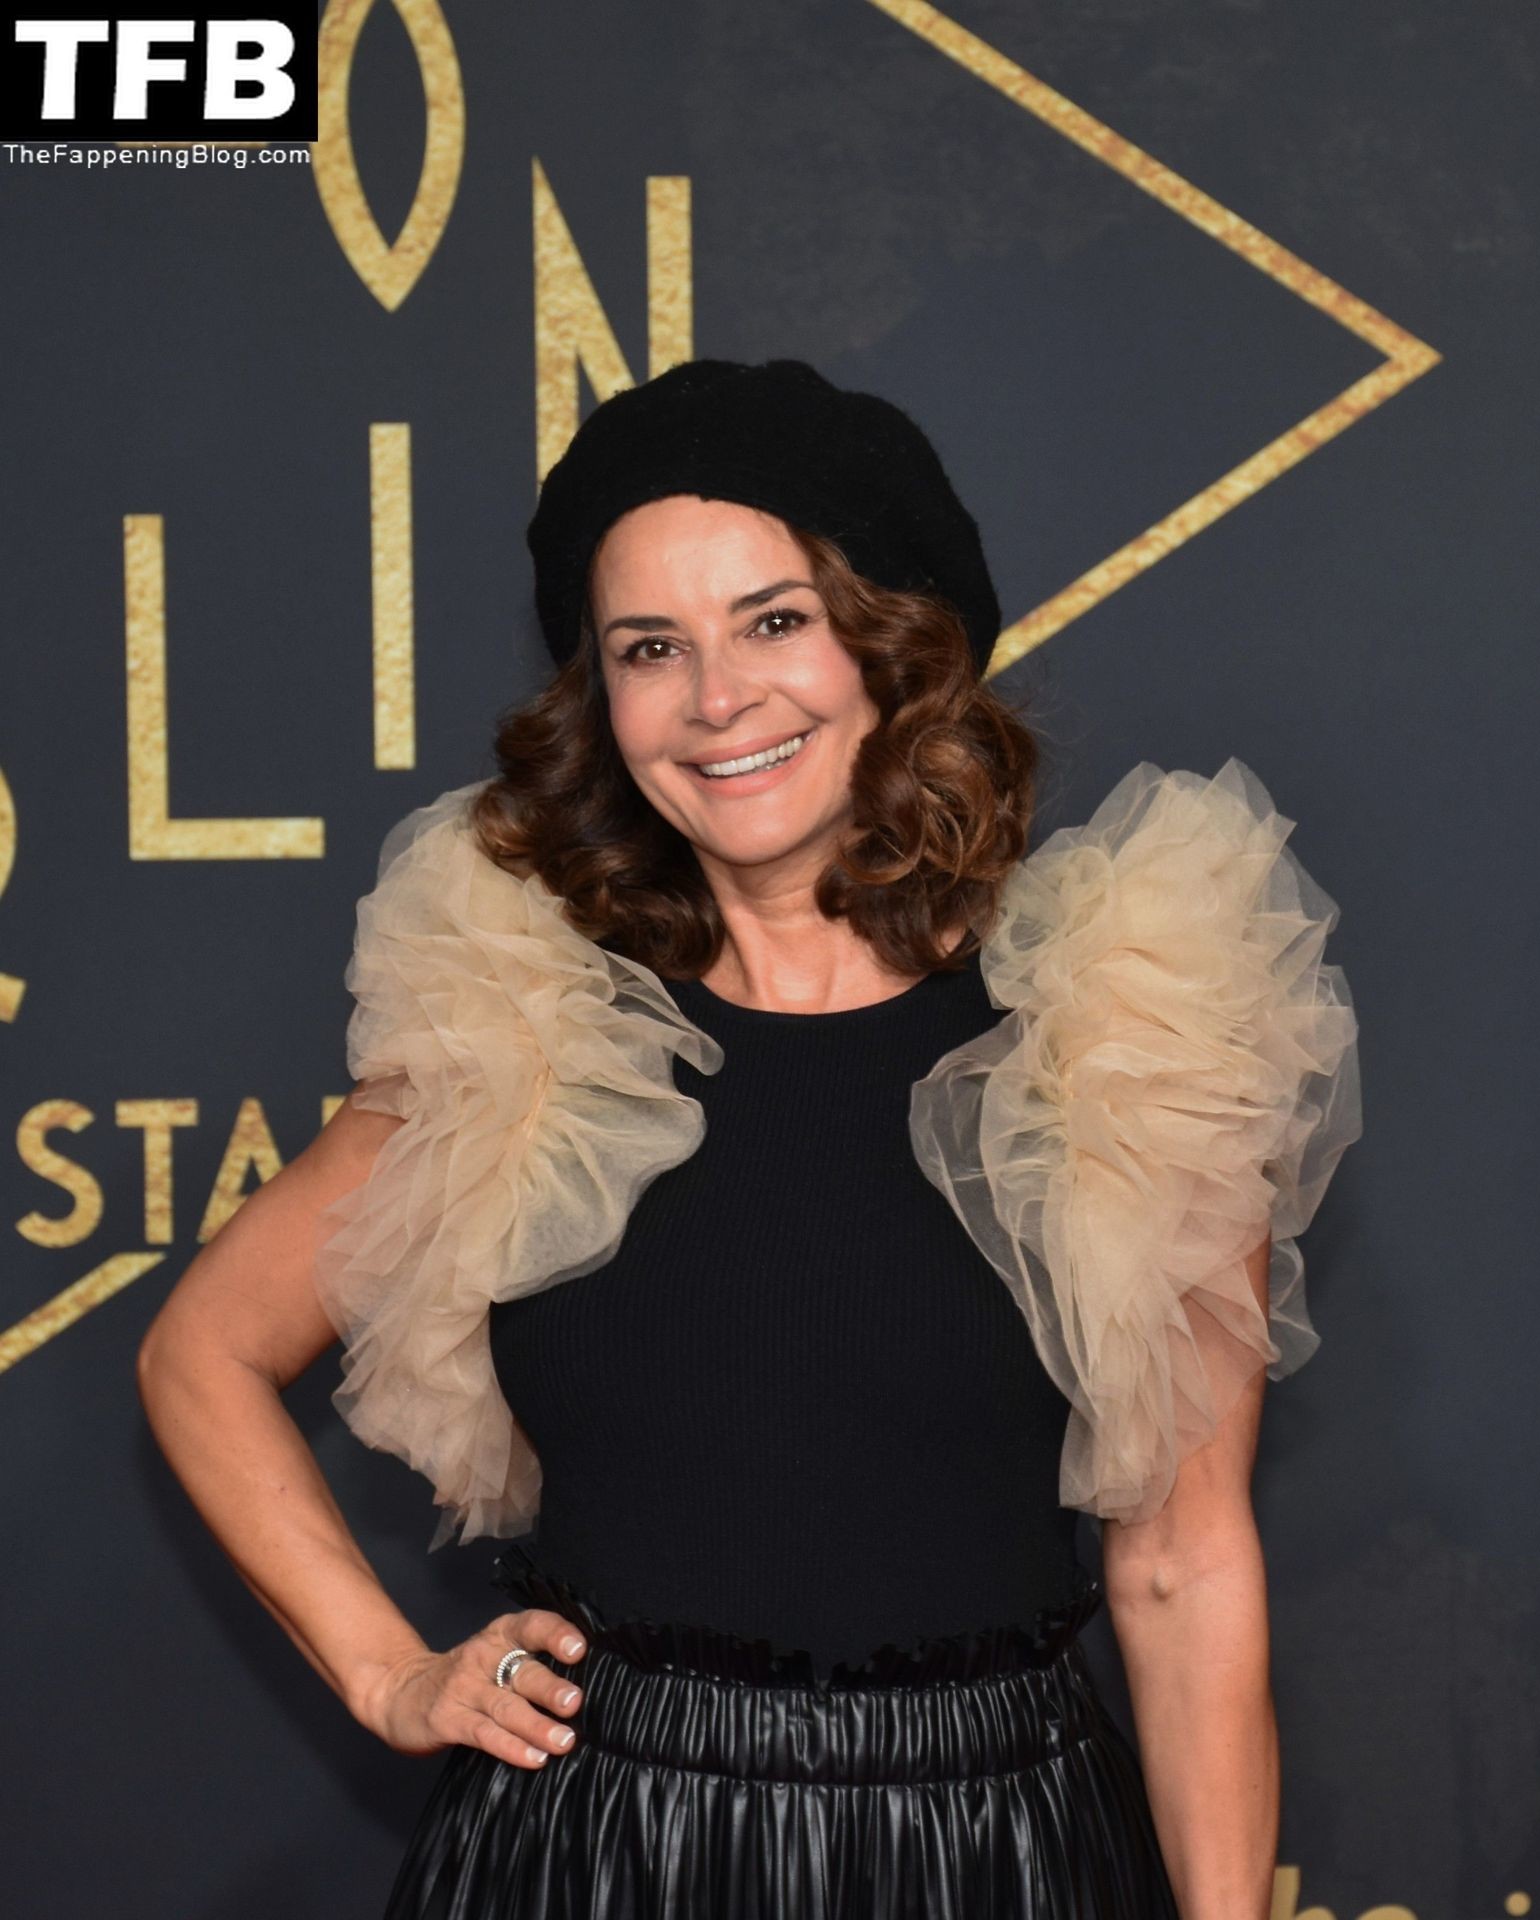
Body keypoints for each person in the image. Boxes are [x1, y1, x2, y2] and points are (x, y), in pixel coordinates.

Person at [137, 357, 1362, 1920]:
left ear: (893, 644)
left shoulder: (1118, 1041)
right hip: (593, 1855)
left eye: (775, 621)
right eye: (651, 647)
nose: (717, 697)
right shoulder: (533, 1044)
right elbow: (201, 1355)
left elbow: (1181, 1567)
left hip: (995, 1860)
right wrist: (387, 1673)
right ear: (604, 701)